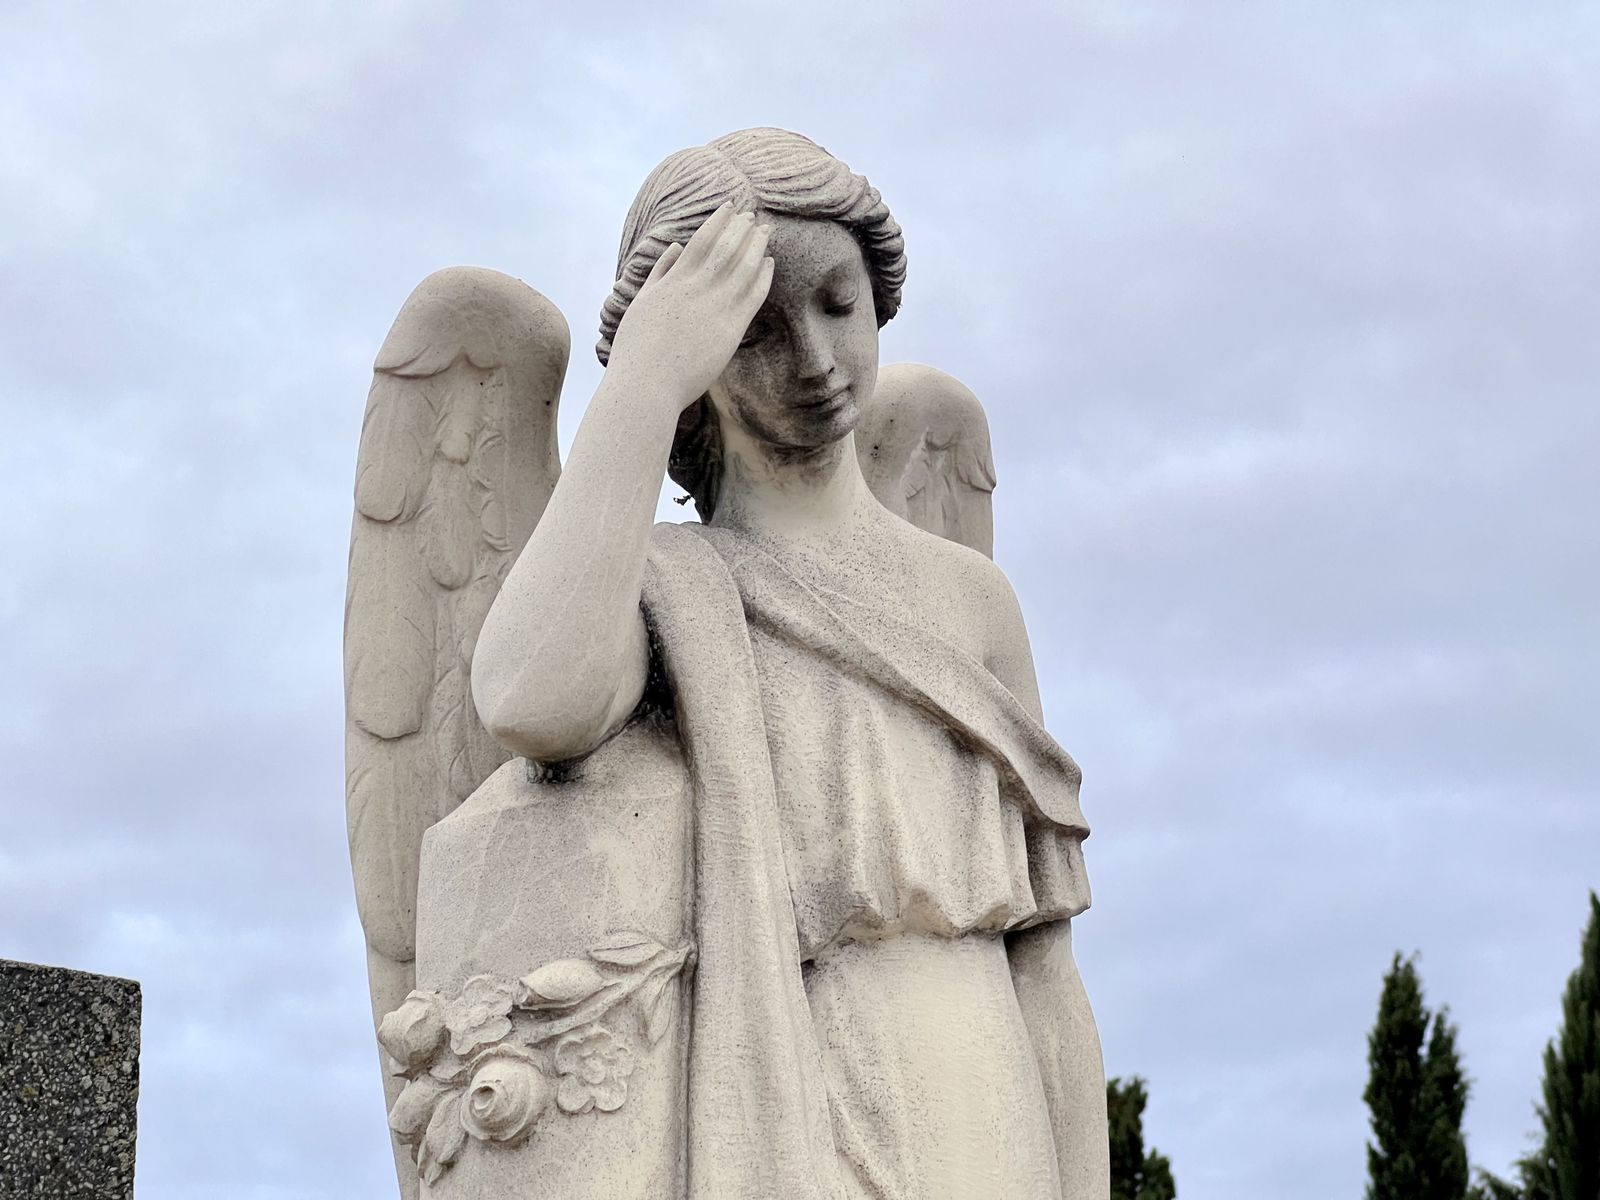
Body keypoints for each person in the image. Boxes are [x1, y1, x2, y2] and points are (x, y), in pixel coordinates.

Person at [471, 127, 1108, 1199]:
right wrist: (641, 385)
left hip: (981, 1094)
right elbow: (533, 700)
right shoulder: (660, 585)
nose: (813, 361)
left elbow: (1045, 972)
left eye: (836, 305)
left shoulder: (969, 600)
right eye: (756, 329)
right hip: (776, 1083)